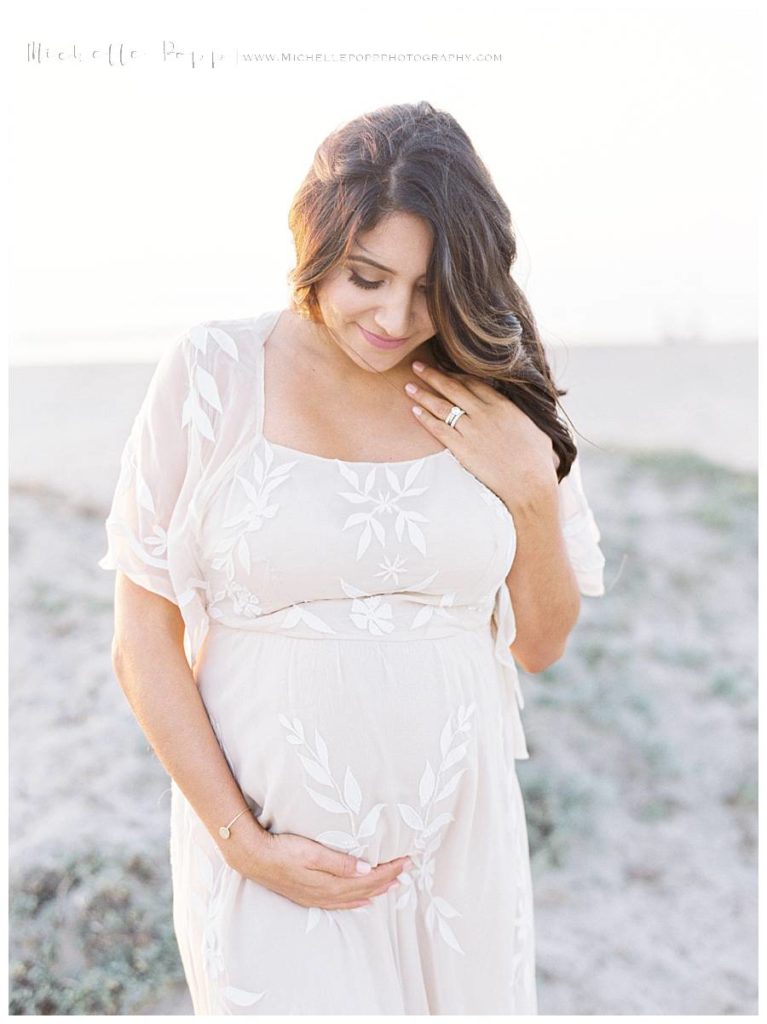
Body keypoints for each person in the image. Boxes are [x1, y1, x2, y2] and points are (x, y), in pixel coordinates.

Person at [98, 100, 606, 1014]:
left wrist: (531, 490)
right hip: (269, 846)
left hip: (460, 846)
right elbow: (142, 640)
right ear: (317, 242)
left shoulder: (488, 384)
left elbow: (540, 642)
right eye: (367, 277)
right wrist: (242, 844)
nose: (394, 316)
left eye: (428, 289)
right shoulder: (214, 372)